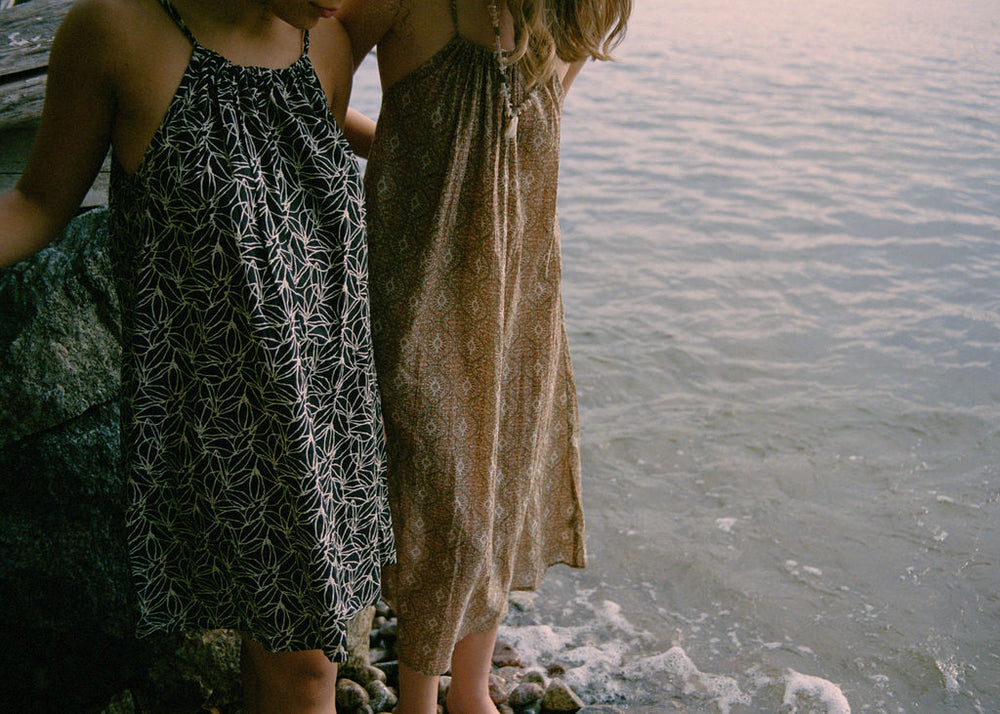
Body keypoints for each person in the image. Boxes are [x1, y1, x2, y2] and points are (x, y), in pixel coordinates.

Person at [0, 0, 394, 711]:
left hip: (330, 408)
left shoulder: (330, 36)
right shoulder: (116, 32)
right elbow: (35, 202)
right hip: (219, 419)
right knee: (306, 673)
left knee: (277, 658)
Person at [333, 0, 631, 712]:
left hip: (518, 302)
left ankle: (470, 694)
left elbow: (519, 135)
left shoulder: (573, 16)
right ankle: (416, 699)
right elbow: (312, 94)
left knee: (500, 490)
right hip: (420, 288)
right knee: (445, 496)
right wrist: (404, 142)